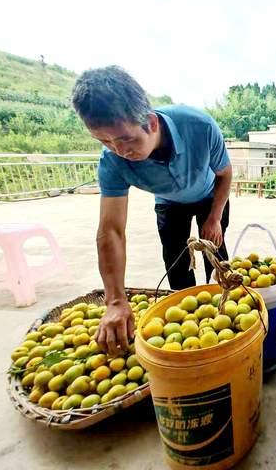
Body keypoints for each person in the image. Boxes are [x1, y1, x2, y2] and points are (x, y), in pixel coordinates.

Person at [72, 66, 232, 354]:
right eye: (104, 141)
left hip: (210, 195)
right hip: (169, 203)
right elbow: (110, 229)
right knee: (176, 260)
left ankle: (226, 306)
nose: (118, 150)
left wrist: (214, 218)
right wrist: (115, 300)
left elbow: (225, 175)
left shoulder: (200, 127)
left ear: (151, 123)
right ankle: (192, 323)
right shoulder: (112, 161)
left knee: (215, 253)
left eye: (125, 139)